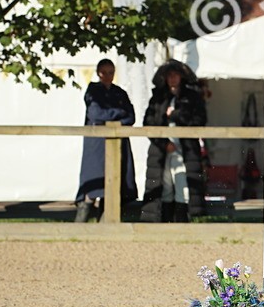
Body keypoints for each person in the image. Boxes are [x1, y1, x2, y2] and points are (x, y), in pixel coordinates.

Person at [140, 60, 207, 222]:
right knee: (165, 186)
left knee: (183, 185)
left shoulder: (192, 97)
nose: (172, 79)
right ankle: (164, 222)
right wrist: (164, 144)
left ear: (181, 77)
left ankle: (182, 222)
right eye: (169, 75)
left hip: (185, 149)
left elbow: (200, 120)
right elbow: (149, 123)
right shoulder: (158, 97)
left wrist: (176, 115)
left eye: (175, 75)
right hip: (161, 150)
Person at [73, 59, 138, 222]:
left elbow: (131, 116)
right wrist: (118, 114)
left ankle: (105, 228)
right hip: (96, 146)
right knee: (92, 187)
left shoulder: (120, 93)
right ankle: (78, 230)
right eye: (104, 72)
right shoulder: (93, 91)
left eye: (111, 72)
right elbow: (96, 114)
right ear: (98, 73)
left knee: (114, 189)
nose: (108, 76)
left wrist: (113, 118)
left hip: (118, 144)